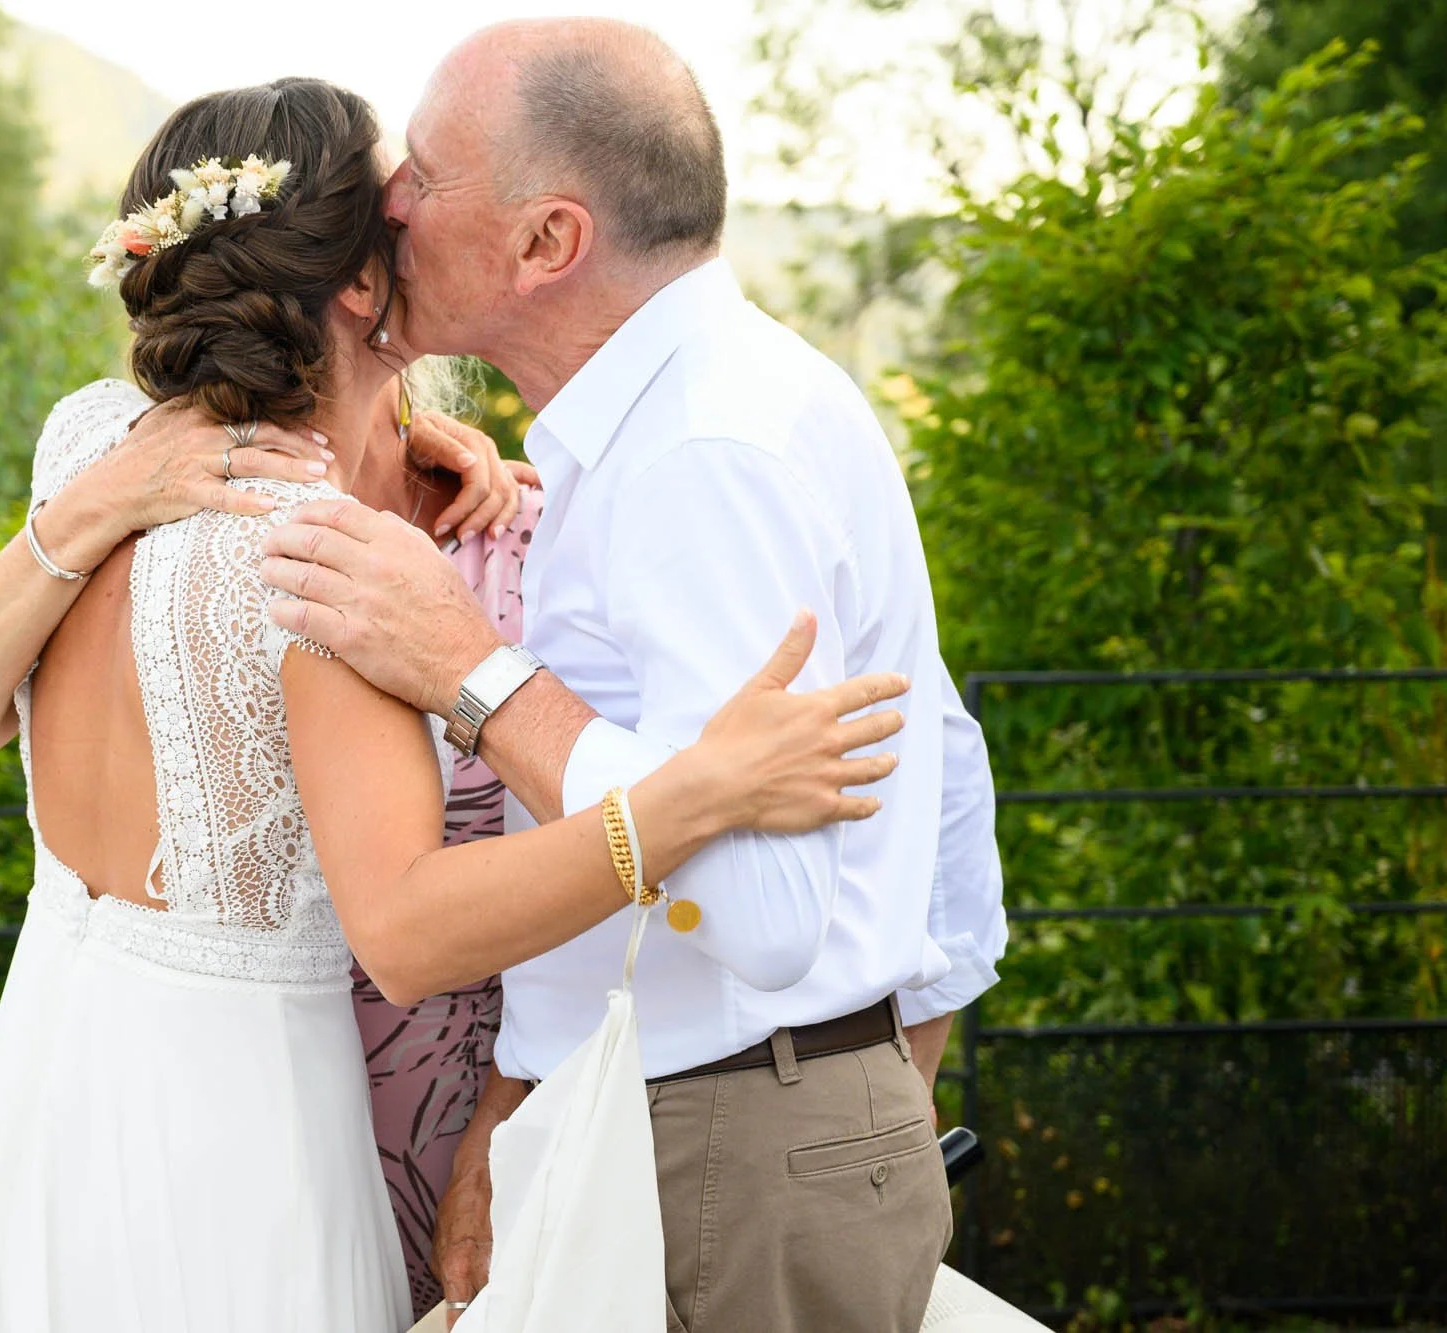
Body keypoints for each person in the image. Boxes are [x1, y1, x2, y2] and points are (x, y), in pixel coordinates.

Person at [0, 76, 912, 1333]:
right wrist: (684, 797)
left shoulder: (97, 438)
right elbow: (410, 931)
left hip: (63, 1085)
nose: (419, 213)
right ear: (362, 281)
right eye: (404, 193)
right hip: (245, 1130)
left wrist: (419, 449)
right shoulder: (335, 566)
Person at [258, 21, 1009, 1332]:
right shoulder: (682, 422)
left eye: (425, 176)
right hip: (699, 1119)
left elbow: (769, 917)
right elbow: (943, 762)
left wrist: (472, 670)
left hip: (721, 1146)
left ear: (549, 240)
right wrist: (525, 1090)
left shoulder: (698, 456)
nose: (388, 201)